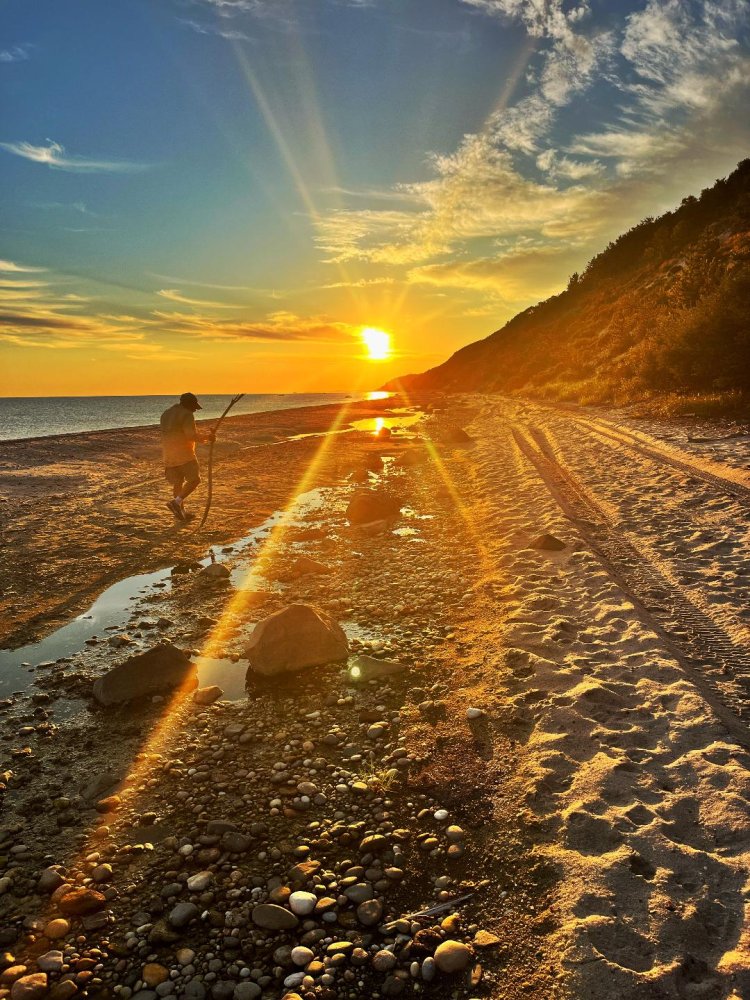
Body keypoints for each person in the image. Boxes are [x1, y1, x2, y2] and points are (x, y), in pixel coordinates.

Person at [160, 392, 213, 522]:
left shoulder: (166, 413)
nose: (195, 410)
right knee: (194, 480)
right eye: (194, 407)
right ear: (188, 405)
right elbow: (190, 435)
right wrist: (207, 437)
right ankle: (176, 502)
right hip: (184, 454)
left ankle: (181, 513)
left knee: (178, 483)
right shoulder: (187, 414)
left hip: (168, 454)